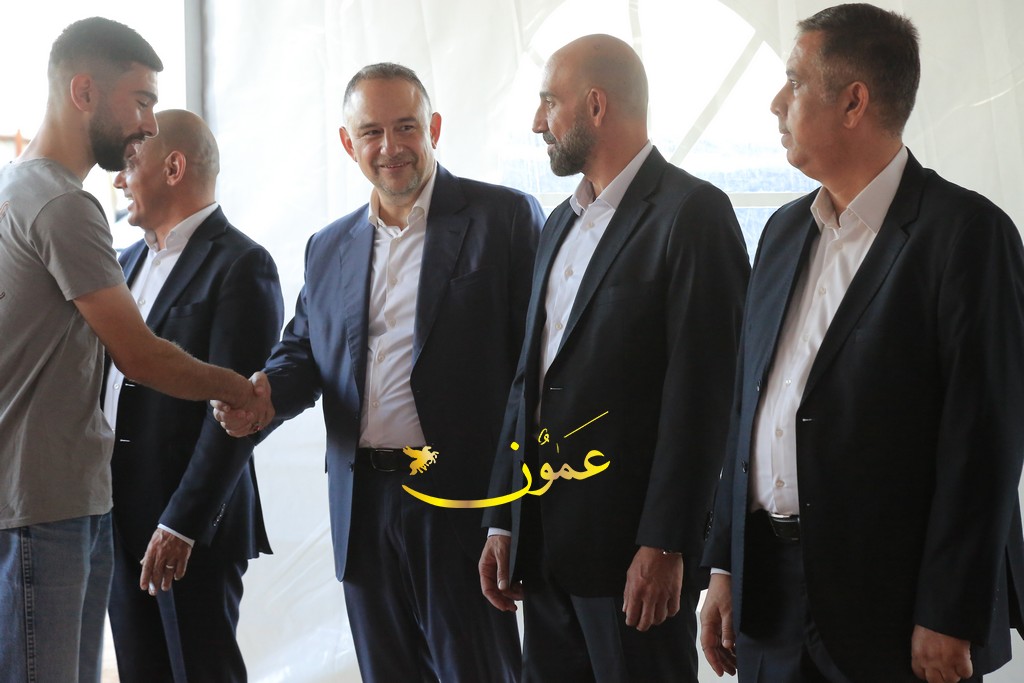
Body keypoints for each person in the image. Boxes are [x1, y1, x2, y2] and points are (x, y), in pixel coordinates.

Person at [700, 4, 1024, 682]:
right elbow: (747, 407)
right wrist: (725, 563)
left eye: (794, 82)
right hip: (769, 599)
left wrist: (949, 611)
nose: (776, 102)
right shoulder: (781, 231)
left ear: (853, 101)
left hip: (895, 609)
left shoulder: (966, 234)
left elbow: (985, 441)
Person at [214, 63, 543, 682]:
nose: (390, 147)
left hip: (461, 501)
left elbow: (537, 366)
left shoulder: (504, 218)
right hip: (363, 505)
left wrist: (515, 511)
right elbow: (304, 350)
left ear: (434, 129)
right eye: (371, 132)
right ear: (349, 143)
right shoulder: (328, 245)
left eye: (405, 127)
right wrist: (263, 396)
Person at [478, 34, 750, 682]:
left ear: (596, 106)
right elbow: (529, 381)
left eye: (550, 102)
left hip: (634, 559)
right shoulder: (557, 223)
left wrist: (667, 541)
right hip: (544, 548)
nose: (537, 122)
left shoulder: (694, 214)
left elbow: (706, 396)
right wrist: (502, 518)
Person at [0, 17, 264, 683]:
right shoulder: (63, 205)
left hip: (71, 502)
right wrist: (240, 390)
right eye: (141, 101)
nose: (146, 124)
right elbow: (139, 356)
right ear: (84, 91)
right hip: (46, 503)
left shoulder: (17, 189)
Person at [103, 109, 284, 682]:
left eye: (130, 163)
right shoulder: (123, 265)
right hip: (115, 519)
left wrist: (181, 524)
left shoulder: (242, 264)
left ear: (174, 167)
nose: (118, 179)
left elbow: (237, 413)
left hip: (191, 528)